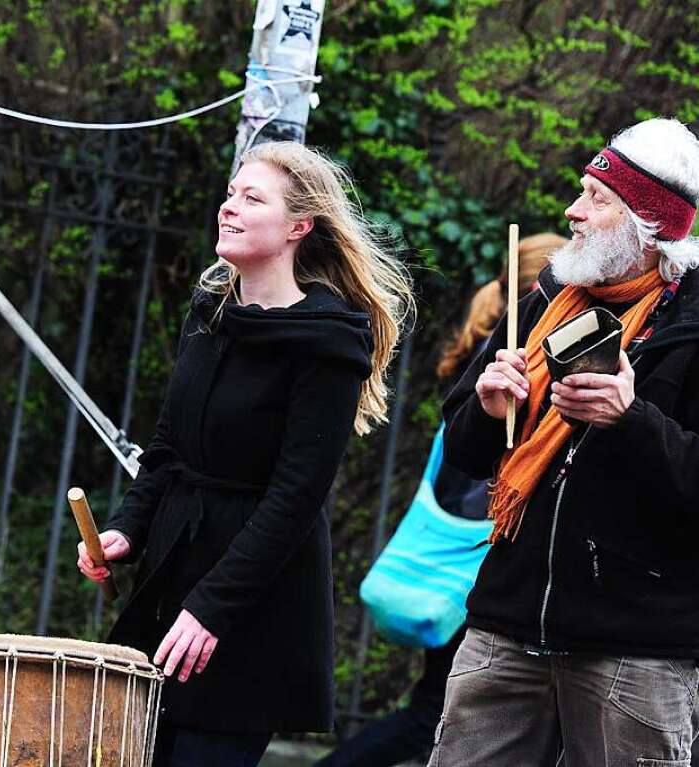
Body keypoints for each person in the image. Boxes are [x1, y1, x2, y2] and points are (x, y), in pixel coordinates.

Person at [76, 140, 415, 767]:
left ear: (298, 226)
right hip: (172, 577)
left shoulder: (329, 341)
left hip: (249, 604)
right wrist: (126, 527)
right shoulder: (209, 312)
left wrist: (212, 607)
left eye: (251, 198)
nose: (228, 207)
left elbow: (296, 498)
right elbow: (168, 448)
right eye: (231, 193)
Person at [433, 117, 699, 766]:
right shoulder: (547, 293)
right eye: (580, 190)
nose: (570, 211)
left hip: (635, 645)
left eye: (595, 198)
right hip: (505, 620)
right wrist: (485, 405)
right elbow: (463, 450)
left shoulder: (690, 324)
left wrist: (630, 418)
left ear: (649, 223)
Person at [315, 233, 565, 767]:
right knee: (437, 710)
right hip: (477, 550)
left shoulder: (482, 346)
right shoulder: (514, 358)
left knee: (440, 707)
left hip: (458, 532)